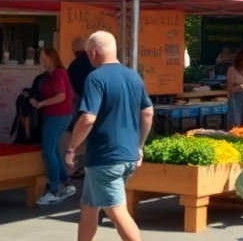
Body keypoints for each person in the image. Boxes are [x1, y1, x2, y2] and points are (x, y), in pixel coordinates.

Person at [66, 31, 154, 241]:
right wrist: (140, 145)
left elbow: (88, 118)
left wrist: (71, 148)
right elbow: (148, 112)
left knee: (116, 211)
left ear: (94, 52)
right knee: (89, 206)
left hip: (105, 158)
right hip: (126, 155)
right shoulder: (133, 75)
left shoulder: (95, 78)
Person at [32, 47, 76, 205]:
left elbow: (61, 96)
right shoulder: (53, 74)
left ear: (50, 58)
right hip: (57, 115)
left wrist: (40, 104)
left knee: (48, 151)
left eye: (43, 57)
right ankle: (66, 184)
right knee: (54, 151)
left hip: (57, 116)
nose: (41, 60)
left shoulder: (57, 73)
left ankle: (54, 190)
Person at [64, 36, 97, 178]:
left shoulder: (73, 66)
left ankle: (78, 166)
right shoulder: (94, 64)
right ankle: (90, 165)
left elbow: (71, 90)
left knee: (79, 134)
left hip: (81, 105)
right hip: (96, 104)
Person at [226, 49, 243, 129]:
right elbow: (230, 89)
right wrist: (242, 87)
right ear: (242, 59)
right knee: (235, 125)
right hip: (235, 101)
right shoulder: (232, 70)